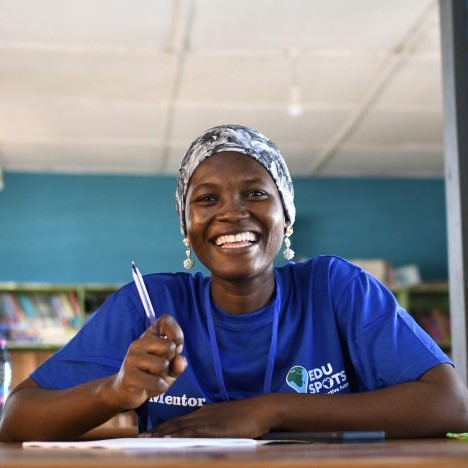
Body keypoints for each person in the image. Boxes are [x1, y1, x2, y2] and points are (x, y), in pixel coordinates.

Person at [1, 124, 467, 442]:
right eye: (206, 198)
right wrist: (116, 391)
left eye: (256, 193)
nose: (231, 212)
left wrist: (269, 411)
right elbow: (15, 419)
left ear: (286, 216)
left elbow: (450, 403)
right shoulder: (151, 306)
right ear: (186, 227)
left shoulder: (335, 287)